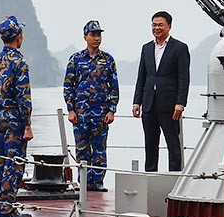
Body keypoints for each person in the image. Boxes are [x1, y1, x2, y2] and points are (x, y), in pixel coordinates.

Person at [63, 20, 120, 191]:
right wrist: (71, 109)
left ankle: (98, 183)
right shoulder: (76, 59)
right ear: (85, 37)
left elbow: (114, 87)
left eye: (99, 35)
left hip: (101, 113)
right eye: (93, 35)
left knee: (100, 150)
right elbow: (68, 85)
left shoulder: (108, 60)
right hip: (80, 114)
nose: (96, 38)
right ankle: (85, 183)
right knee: (82, 150)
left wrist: (112, 110)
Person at [132, 10, 190, 172]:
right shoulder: (146, 48)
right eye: (154, 25)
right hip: (149, 104)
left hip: (170, 105)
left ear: (169, 26)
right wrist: (137, 101)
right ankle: (150, 178)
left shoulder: (179, 48)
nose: (157, 28)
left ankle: (174, 180)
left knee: (173, 145)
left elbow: (184, 78)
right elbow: (141, 77)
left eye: (160, 25)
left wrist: (180, 103)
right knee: (150, 145)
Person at [0, 15, 33, 217]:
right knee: (14, 162)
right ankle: (7, 208)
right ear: (19, 36)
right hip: (14, 117)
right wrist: (28, 124)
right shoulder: (19, 62)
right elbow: (24, 97)